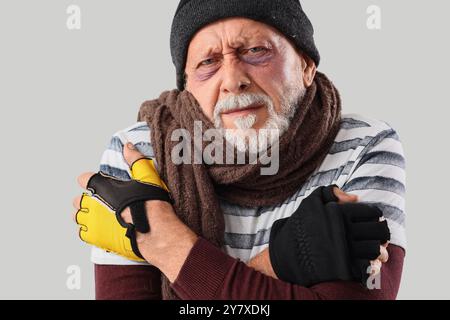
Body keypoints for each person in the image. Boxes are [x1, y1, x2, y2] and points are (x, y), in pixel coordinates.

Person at [73, 0, 406, 300]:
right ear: (187, 85)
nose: (233, 80)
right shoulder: (140, 153)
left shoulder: (363, 145)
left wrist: (163, 243)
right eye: (208, 62)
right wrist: (283, 259)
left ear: (306, 65)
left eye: (256, 51)